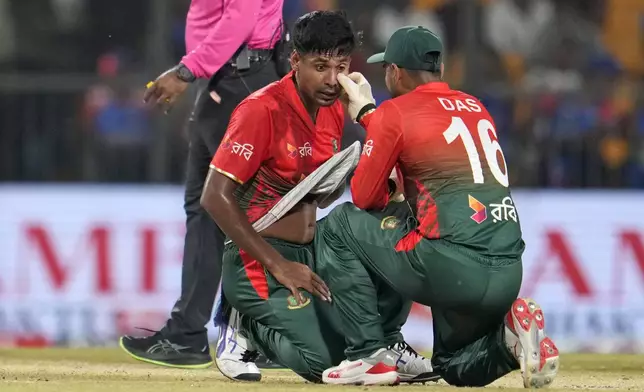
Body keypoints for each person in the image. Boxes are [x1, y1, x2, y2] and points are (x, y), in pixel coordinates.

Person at [319, 26, 560, 388]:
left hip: (450, 266)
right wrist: (373, 116)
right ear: (441, 69)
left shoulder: (394, 112)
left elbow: (367, 198)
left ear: (395, 72)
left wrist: (369, 114)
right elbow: (423, 146)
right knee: (454, 366)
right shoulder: (476, 107)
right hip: (508, 272)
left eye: (386, 69)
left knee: (340, 224)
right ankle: (511, 338)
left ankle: (368, 353)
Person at [200, 11, 433, 385]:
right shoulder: (261, 109)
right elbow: (214, 197)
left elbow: (323, 187)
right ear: (295, 61)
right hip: (258, 259)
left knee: (398, 221)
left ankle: (387, 343)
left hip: (314, 248)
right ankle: (244, 326)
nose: (331, 79)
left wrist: (369, 122)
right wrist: (278, 265)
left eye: (340, 66)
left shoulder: (336, 108)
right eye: (320, 66)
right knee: (324, 363)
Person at [119, 0, 285, 369]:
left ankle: (271, 336)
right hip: (227, 79)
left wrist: (185, 71)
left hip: (239, 79)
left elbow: (239, 19)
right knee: (209, 209)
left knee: (245, 210)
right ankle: (191, 334)